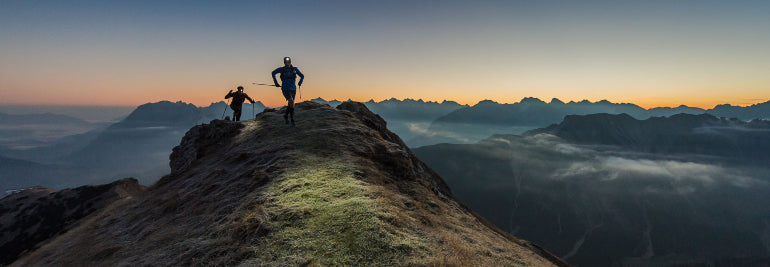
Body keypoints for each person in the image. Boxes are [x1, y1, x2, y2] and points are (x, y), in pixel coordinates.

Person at [272, 57, 304, 126]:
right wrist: (276, 83)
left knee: (291, 104)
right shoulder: (282, 69)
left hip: (293, 89)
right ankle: (292, 119)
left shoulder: (294, 69)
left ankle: (286, 116)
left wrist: (300, 82)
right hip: (285, 88)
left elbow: (302, 76)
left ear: (290, 62)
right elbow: (273, 73)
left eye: (288, 62)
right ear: (284, 63)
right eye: (286, 62)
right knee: (291, 101)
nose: (287, 63)